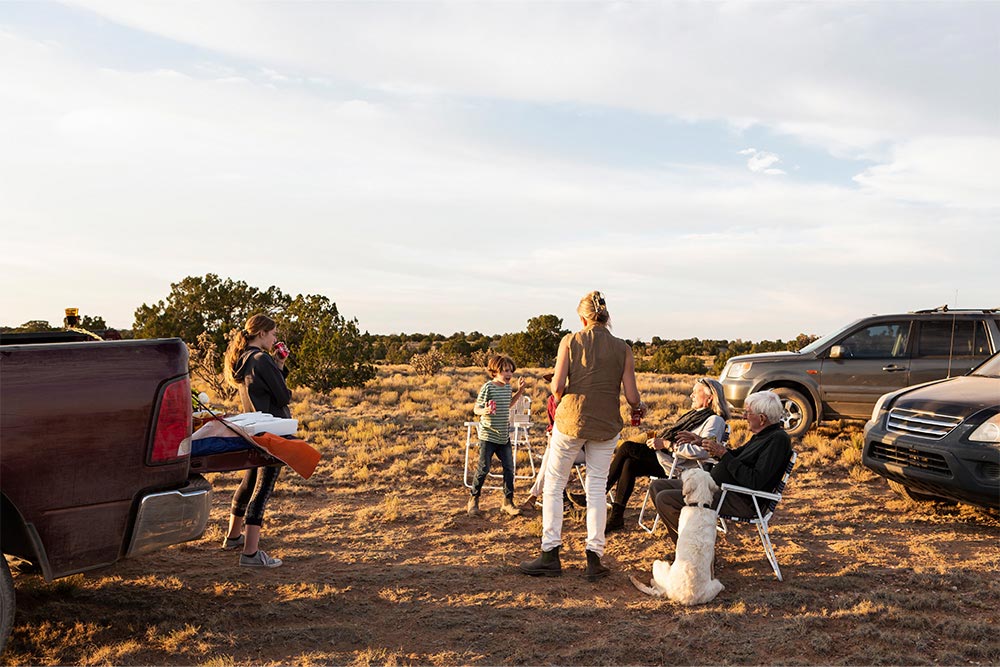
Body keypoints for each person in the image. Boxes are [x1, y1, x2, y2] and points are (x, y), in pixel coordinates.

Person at [519, 291, 644, 581]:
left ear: (583, 317)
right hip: (606, 424)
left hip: (571, 420)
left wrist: (560, 390)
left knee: (553, 485)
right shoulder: (623, 348)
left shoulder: (570, 341)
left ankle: (550, 553)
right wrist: (639, 408)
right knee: (597, 488)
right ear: (606, 317)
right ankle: (594, 557)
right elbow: (632, 395)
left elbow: (557, 386)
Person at [571, 378, 731, 532]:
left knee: (627, 447)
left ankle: (595, 494)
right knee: (630, 464)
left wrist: (668, 445)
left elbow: (703, 451)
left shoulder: (714, 420)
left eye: (696, 392)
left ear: (710, 398)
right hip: (667, 459)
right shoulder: (695, 415)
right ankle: (617, 517)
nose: (691, 395)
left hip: (680, 467)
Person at [650, 390, 792, 547]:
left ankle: (695, 551)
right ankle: (689, 548)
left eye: (747, 413)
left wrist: (724, 454)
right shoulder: (763, 436)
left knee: (666, 499)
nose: (744, 417)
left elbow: (754, 481)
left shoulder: (777, 440)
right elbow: (735, 456)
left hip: (741, 499)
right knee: (658, 486)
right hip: (721, 489)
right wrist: (702, 442)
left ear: (762, 418)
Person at [221, 314, 292, 568]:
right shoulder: (263, 360)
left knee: (249, 481)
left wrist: (279, 365)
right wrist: (279, 367)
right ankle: (251, 553)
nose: (275, 339)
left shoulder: (243, 359)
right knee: (264, 488)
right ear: (261, 333)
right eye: (273, 334)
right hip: (272, 431)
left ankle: (233, 536)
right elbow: (283, 396)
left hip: (252, 429)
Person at [467, 354, 527, 517]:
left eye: (510, 371)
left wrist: (520, 391)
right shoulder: (488, 387)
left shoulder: (507, 387)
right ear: (495, 372)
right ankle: (474, 499)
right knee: (484, 468)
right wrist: (484, 411)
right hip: (488, 435)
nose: (509, 374)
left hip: (503, 436)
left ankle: (507, 502)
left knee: (509, 468)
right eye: (505, 371)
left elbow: (508, 405)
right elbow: (476, 408)